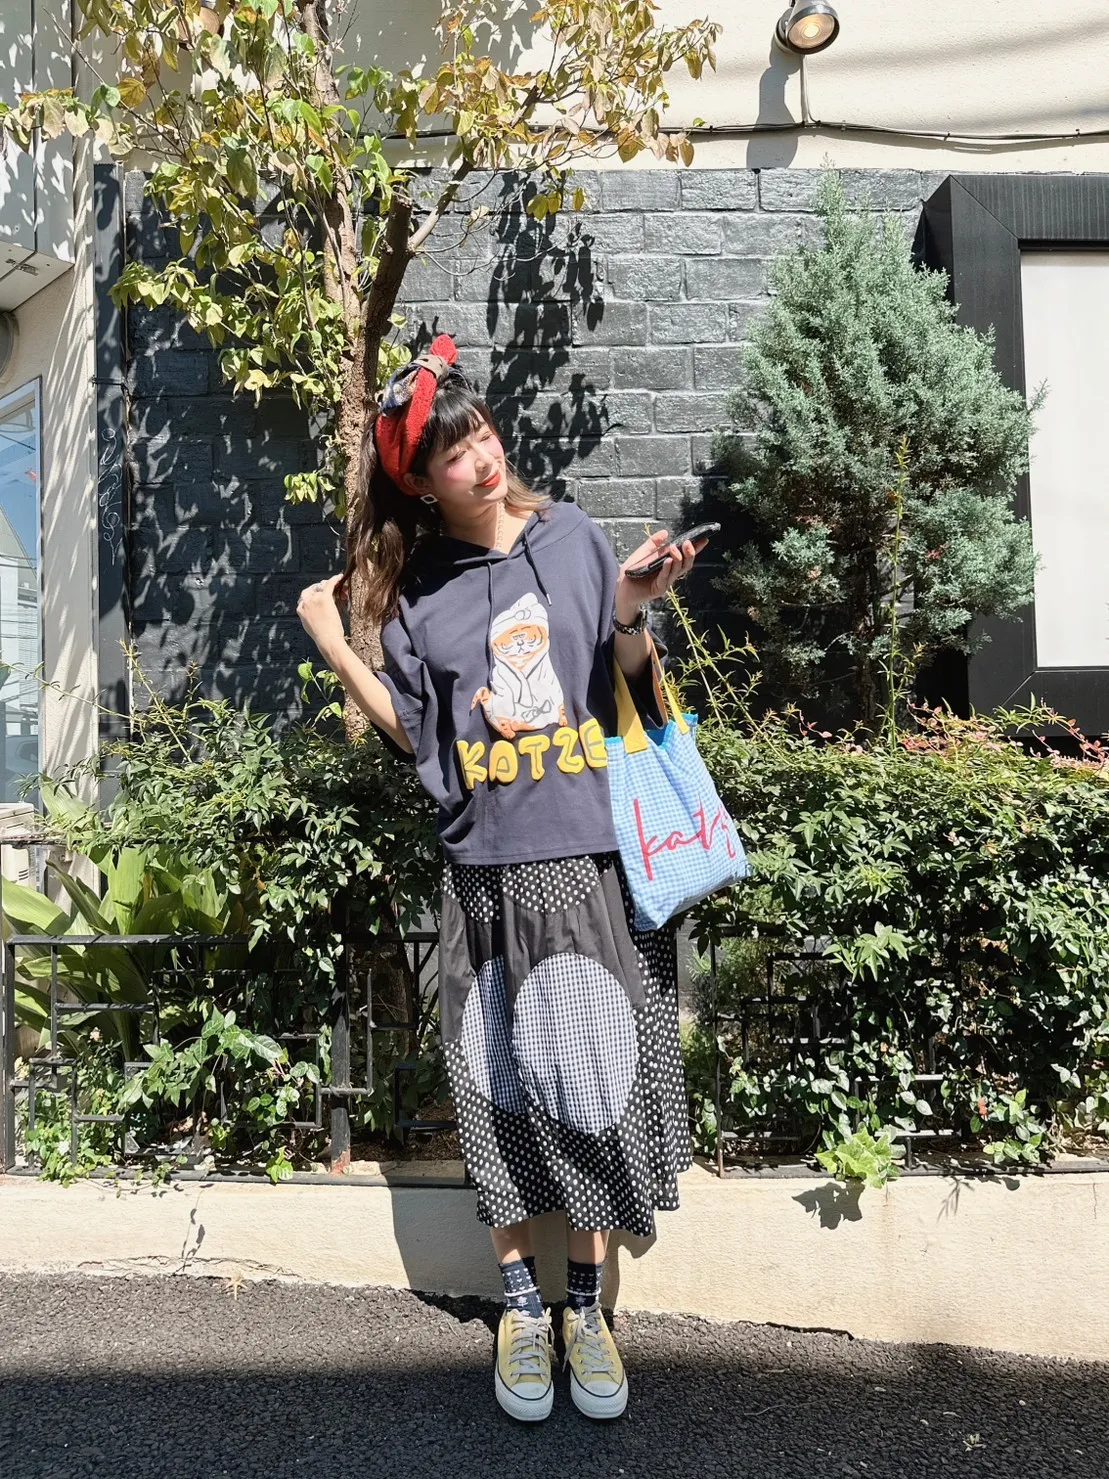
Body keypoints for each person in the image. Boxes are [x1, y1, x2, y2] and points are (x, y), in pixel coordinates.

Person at [297, 333, 707, 1424]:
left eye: (478, 434)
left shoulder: (573, 538)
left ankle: (585, 1309)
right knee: (496, 1090)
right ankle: (520, 1305)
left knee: (589, 1082)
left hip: (583, 855)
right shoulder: (419, 592)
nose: (479, 458)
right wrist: (339, 646)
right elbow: (418, 738)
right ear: (421, 484)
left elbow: (630, 683)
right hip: (481, 867)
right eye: (451, 453)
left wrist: (631, 608)